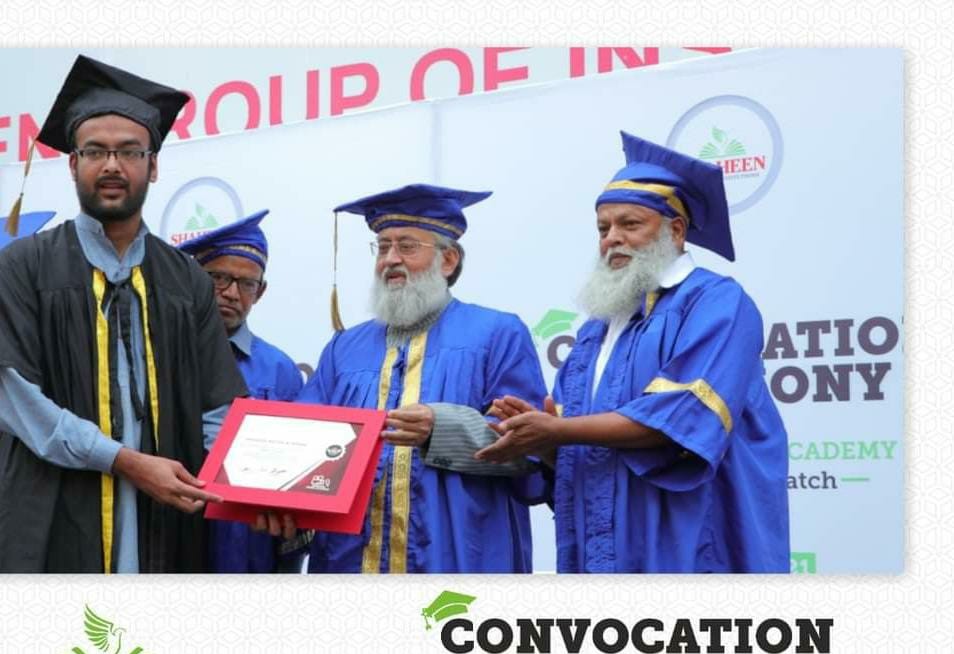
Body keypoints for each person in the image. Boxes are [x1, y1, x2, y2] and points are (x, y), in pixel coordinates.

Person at [476, 132, 790, 573]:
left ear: (675, 230)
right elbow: (575, 444)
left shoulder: (716, 302)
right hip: (601, 544)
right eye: (603, 228)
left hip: (690, 536)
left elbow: (682, 418)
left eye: (630, 224)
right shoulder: (597, 329)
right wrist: (542, 441)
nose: (612, 239)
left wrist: (559, 430)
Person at [0, 55, 247, 573]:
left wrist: (251, 488)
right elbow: (19, 402)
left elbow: (219, 409)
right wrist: (126, 462)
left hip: (167, 522)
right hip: (52, 514)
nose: (112, 165)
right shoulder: (22, 267)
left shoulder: (186, 280)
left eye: (130, 151)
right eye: (95, 151)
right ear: (73, 165)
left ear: (152, 166)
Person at [298, 183, 548, 573]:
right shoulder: (344, 348)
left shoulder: (497, 333)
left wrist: (442, 428)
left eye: (407, 246)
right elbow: (304, 437)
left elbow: (529, 447)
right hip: (349, 558)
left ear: (448, 260)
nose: (390, 260)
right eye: (382, 247)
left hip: (459, 554)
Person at [179, 210, 309, 573]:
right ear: (194, 279)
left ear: (260, 291)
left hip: (247, 544)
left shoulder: (279, 370)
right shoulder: (158, 354)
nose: (232, 294)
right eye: (218, 278)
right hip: (169, 531)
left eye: (247, 284)